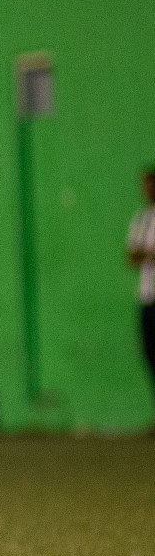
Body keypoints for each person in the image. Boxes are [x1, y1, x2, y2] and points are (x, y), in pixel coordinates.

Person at [128, 167, 155, 425]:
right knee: (150, 354)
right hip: (147, 298)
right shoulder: (141, 219)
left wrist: (145, 253)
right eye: (145, 185)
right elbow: (131, 256)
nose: (148, 189)